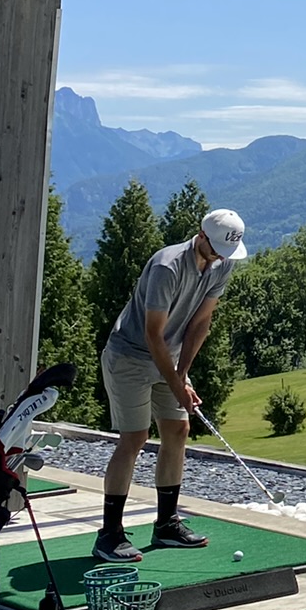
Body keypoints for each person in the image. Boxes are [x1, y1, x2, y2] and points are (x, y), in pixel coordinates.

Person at [93, 207, 249, 562]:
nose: (220, 258)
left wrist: (182, 374)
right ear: (202, 235)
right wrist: (175, 381)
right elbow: (152, 334)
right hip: (131, 355)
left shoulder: (222, 262)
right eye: (217, 249)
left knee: (178, 429)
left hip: (170, 357)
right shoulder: (168, 266)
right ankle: (109, 534)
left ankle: (166, 525)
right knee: (134, 437)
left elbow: (201, 322)